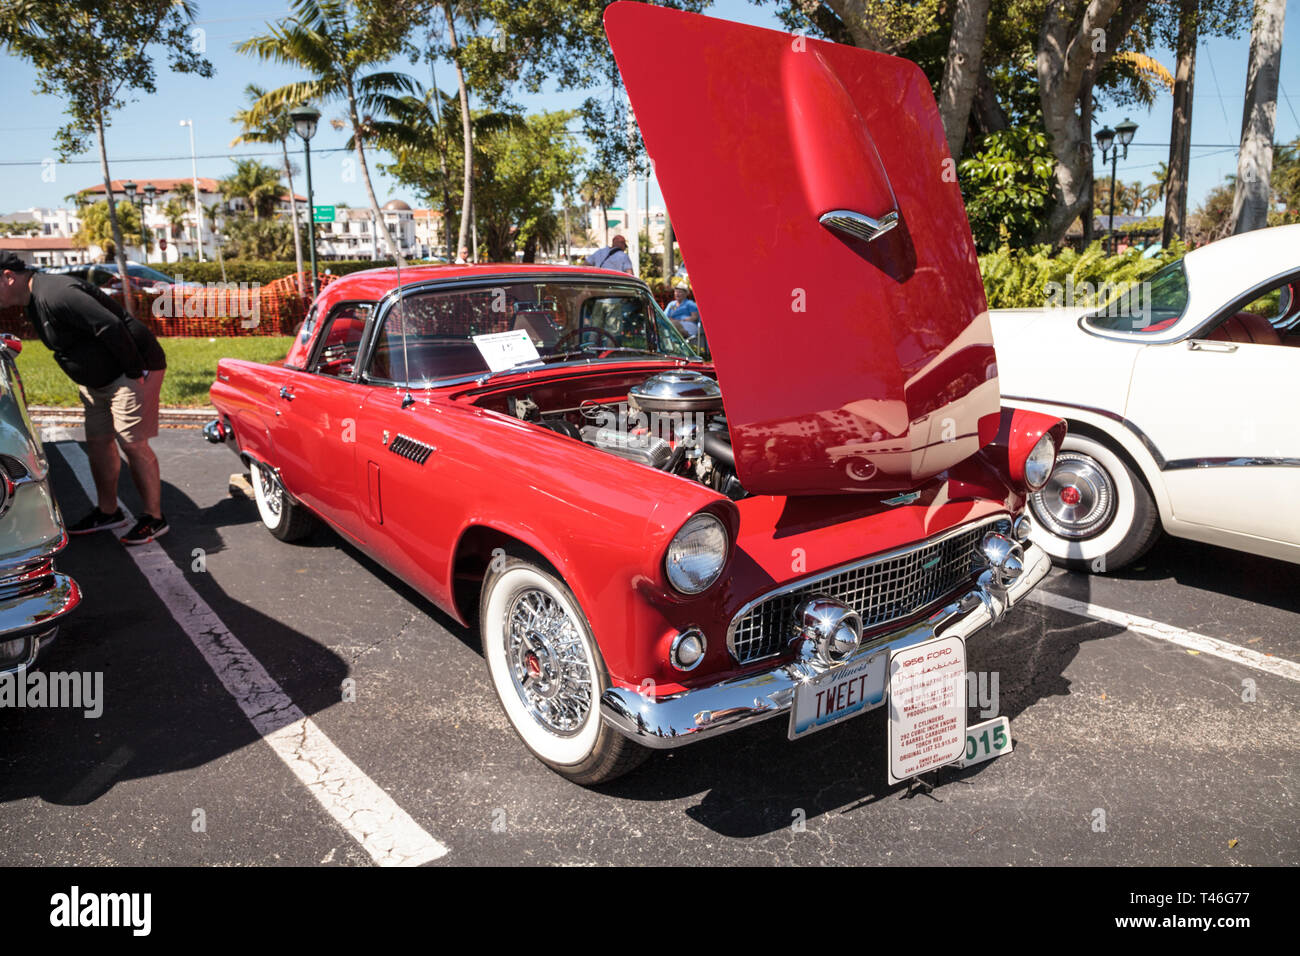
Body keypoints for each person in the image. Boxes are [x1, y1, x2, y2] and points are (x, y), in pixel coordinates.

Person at [0, 252, 169, 544]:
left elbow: (110, 325)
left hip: (129, 373)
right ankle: (109, 512)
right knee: (98, 443)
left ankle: (154, 518)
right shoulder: (34, 299)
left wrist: (134, 371)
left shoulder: (56, 293)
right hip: (98, 383)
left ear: (8, 276)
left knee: (132, 443)